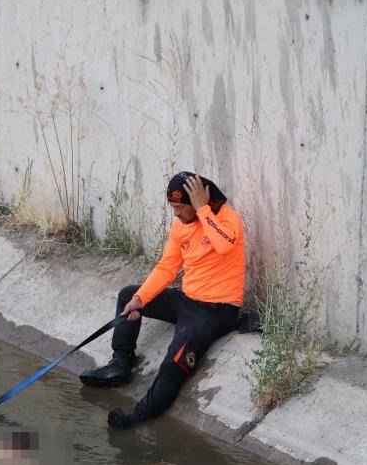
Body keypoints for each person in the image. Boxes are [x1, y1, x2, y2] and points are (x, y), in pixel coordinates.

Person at [80, 172, 245, 429]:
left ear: (197, 202)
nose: (176, 214)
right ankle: (120, 365)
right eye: (173, 208)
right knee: (128, 294)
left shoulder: (226, 217)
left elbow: (224, 246)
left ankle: (138, 415)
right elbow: (167, 267)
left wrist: (203, 210)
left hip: (216, 310)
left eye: (180, 208)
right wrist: (140, 299)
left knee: (174, 360)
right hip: (187, 300)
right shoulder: (180, 225)